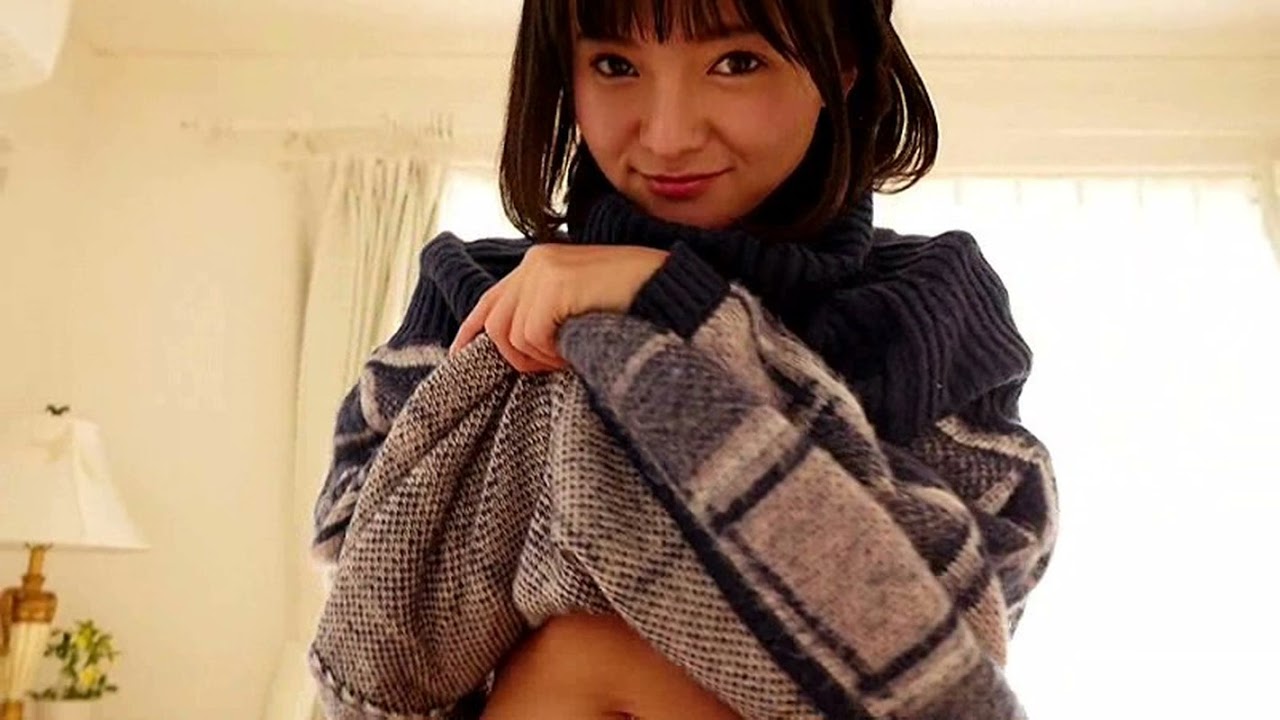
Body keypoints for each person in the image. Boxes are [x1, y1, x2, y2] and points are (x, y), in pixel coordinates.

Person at [315, 0, 1045, 718]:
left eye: (737, 62)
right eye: (615, 65)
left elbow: (952, 642)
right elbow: (368, 621)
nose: (668, 136)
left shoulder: (927, 308)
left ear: (843, 66)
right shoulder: (481, 296)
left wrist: (676, 314)